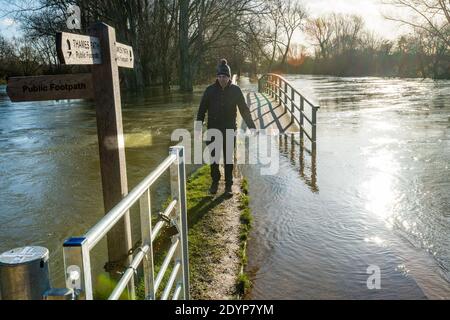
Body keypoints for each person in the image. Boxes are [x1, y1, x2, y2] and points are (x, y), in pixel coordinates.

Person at [196, 59, 257, 197]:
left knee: (229, 158)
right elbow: (201, 111)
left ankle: (228, 185)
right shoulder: (210, 91)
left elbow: (244, 109)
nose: (222, 79)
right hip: (213, 129)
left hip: (229, 129)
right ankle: (215, 181)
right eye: (220, 76)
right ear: (217, 77)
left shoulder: (235, 90)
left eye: (225, 76)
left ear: (229, 77)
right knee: (214, 158)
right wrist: (198, 129)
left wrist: (252, 126)